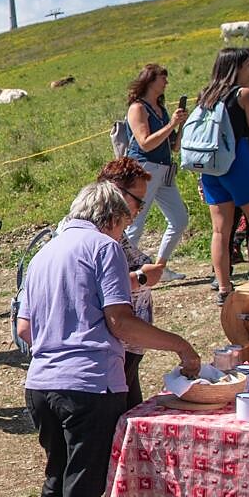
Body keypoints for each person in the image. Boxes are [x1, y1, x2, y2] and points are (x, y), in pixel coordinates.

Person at [16, 183, 200, 497]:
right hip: (90, 386)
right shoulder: (104, 249)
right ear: (114, 219)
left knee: (57, 477)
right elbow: (121, 323)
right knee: (83, 487)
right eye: (125, 226)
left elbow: (24, 329)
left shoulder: (44, 254)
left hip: (42, 385)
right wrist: (180, 346)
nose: (124, 235)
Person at [194, 47, 249, 303]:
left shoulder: (206, 94)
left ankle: (223, 288)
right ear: (239, 67)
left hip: (210, 166)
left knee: (220, 230)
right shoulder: (244, 94)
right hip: (237, 161)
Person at [96, 158, 168, 412]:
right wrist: (142, 278)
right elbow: (96, 286)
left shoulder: (116, 232)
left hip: (128, 347)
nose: (140, 208)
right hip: (114, 348)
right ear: (116, 192)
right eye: (137, 200)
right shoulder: (95, 235)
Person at [121, 64, 189, 276]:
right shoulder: (138, 108)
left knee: (179, 219)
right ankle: (120, 270)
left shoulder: (161, 109)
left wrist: (180, 125)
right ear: (150, 80)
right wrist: (171, 125)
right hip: (144, 169)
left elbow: (174, 146)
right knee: (135, 223)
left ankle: (159, 267)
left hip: (164, 169)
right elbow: (145, 143)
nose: (166, 82)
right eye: (163, 78)